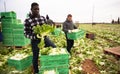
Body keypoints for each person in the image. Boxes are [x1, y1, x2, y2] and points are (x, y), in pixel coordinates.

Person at [24, 2, 56, 74]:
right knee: (35, 56)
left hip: (44, 38)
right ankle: (36, 71)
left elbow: (46, 27)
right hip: (35, 41)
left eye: (38, 9)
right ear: (31, 9)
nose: (37, 10)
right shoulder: (27, 20)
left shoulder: (42, 18)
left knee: (54, 47)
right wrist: (35, 36)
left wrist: (51, 25)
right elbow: (26, 34)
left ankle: (50, 65)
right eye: (35, 9)